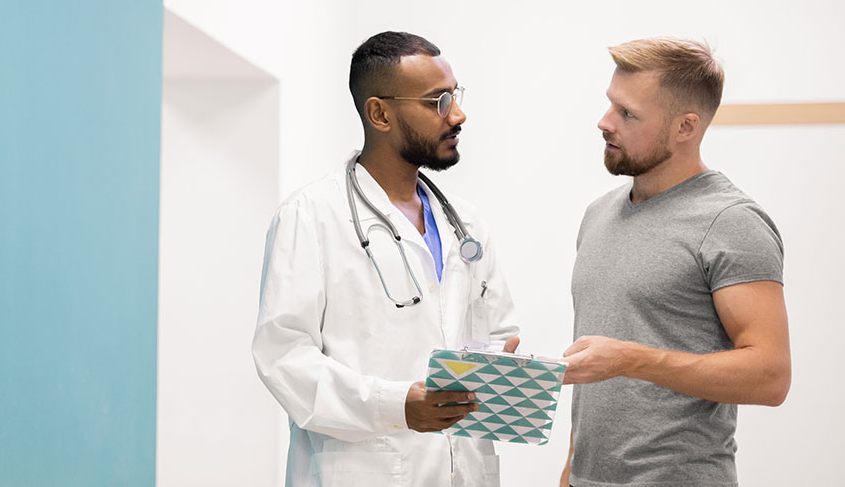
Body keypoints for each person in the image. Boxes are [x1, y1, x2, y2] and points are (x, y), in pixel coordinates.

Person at [251, 31, 520, 486]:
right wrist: (395, 405)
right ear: (379, 113)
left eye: (455, 96)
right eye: (437, 101)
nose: (458, 114)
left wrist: (501, 364)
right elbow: (285, 358)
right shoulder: (312, 216)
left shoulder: (466, 225)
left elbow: (499, 332)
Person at [561, 37, 791, 487]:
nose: (604, 122)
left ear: (685, 127)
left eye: (628, 114)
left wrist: (630, 358)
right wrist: (571, 470)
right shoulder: (599, 214)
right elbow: (600, 381)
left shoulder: (730, 221)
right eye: (611, 104)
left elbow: (771, 376)